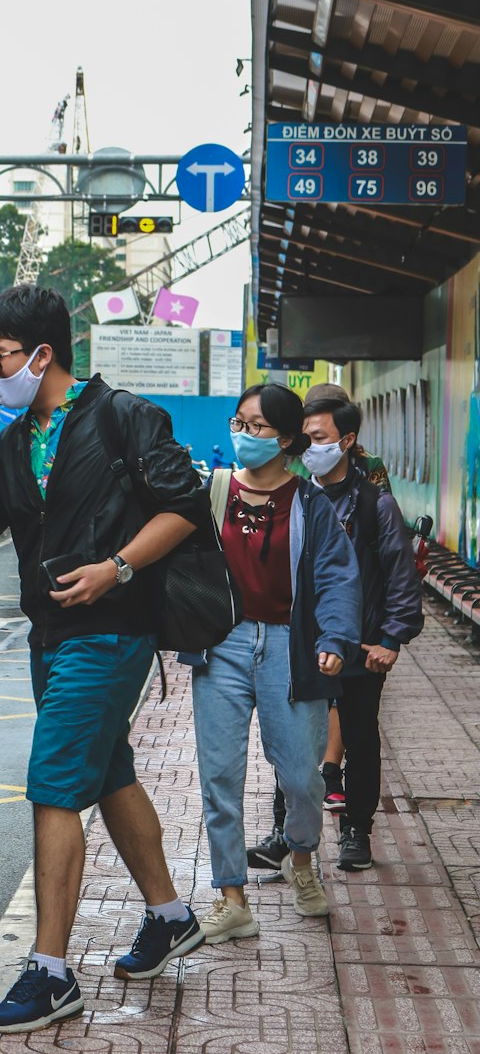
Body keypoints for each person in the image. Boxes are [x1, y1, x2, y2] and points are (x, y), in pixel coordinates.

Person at [0, 285, 210, 1034]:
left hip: (111, 632)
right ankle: (170, 916)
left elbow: (185, 507)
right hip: (49, 638)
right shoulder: (18, 442)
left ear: (42, 354)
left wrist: (116, 566)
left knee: (54, 785)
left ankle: (51, 974)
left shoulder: (124, 418)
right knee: (109, 772)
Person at [191, 384, 361, 942]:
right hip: (224, 645)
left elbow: (338, 576)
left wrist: (336, 637)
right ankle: (232, 897)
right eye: (239, 422)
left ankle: (303, 859)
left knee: (300, 777)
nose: (244, 434)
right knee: (220, 775)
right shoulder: (211, 492)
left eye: (258, 427)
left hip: (292, 647)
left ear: (286, 438)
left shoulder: (311, 503)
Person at [250, 397, 422, 872]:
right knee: (292, 742)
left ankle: (356, 833)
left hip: (361, 648)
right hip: (302, 645)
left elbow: (400, 577)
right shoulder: (294, 496)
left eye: (321, 438)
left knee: (362, 740)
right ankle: (284, 833)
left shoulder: (375, 505)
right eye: (306, 438)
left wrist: (391, 639)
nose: (311, 447)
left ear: (347, 442)